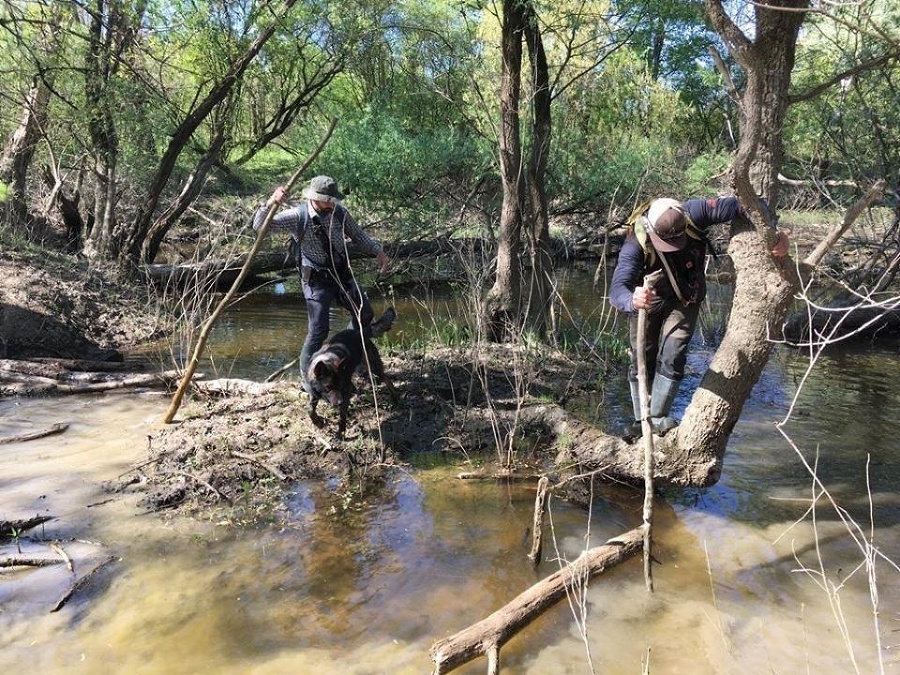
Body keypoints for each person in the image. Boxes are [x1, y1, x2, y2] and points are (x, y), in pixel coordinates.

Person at [609, 196, 790, 435]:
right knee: (642, 356)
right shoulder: (635, 242)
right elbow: (617, 289)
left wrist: (775, 235)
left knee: (674, 354)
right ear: (651, 231)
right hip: (647, 299)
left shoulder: (695, 212)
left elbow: (746, 204)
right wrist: (632, 300)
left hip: (686, 296)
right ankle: (641, 420)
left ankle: (658, 417)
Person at [253, 175, 391, 393]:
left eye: (332, 199)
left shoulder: (339, 213)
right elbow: (260, 227)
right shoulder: (297, 216)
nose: (331, 203)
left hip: (341, 275)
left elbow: (358, 235)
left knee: (364, 314)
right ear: (315, 198)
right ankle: (310, 383)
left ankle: (347, 354)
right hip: (315, 280)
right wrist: (270, 203)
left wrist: (378, 251)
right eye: (328, 199)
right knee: (319, 330)